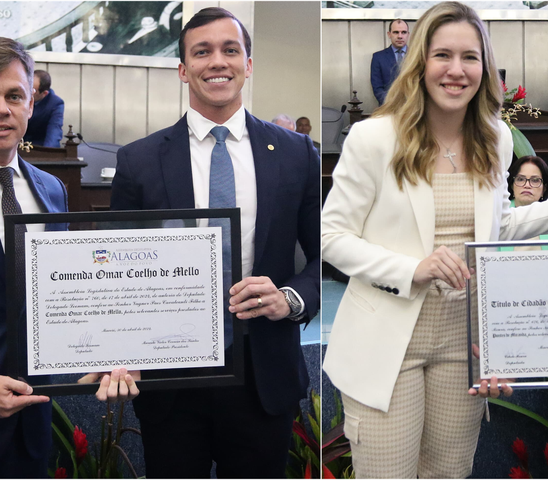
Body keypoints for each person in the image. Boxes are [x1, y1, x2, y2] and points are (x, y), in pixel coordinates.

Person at [322, 3, 548, 477]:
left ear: (485, 67)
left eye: (470, 58)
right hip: (388, 344)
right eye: (443, 56)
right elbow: (332, 237)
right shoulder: (373, 138)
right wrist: (413, 269)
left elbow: (496, 230)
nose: (456, 70)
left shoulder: (494, 137)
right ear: (420, 63)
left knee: (450, 473)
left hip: (463, 341)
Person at [109, 7, 320, 477]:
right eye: (201, 52)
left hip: (263, 373)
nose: (216, 62)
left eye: (230, 49)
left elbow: (327, 257)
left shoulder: (296, 154)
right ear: (183, 69)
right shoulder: (139, 161)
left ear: (248, 63)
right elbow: (115, 272)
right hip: (171, 382)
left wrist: (291, 299)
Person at [0, 38, 69, 478]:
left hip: (33, 422)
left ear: (31, 103)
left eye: (13, 96)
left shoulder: (53, 191)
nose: (3, 109)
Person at [509, 155, 548, 251]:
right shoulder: (499, 214)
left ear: (544, 188)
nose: (527, 185)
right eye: (521, 179)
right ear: (512, 185)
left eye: (535, 180)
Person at [371, 19, 410, 105]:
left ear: (408, 34)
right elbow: (377, 88)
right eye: (396, 32)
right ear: (389, 34)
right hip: (388, 109)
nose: (400, 36)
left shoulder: (417, 56)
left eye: (403, 32)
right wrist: (391, 104)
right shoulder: (378, 57)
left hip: (414, 110)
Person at [25, 70, 64, 147]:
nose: (27, 92)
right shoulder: (18, 98)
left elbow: (54, 131)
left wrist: (47, 153)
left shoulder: (55, 103)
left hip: (39, 149)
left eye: (32, 90)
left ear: (44, 93)